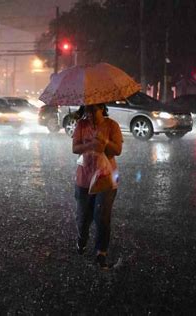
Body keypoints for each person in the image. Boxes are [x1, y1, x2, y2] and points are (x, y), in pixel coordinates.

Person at [72, 103, 123, 269]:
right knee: (83, 217)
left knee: (102, 217)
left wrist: (104, 143)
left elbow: (117, 150)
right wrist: (89, 145)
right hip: (84, 177)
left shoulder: (112, 125)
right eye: (87, 110)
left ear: (102, 108)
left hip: (105, 178)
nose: (91, 114)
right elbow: (75, 148)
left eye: (94, 110)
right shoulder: (81, 125)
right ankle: (82, 239)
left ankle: (101, 252)